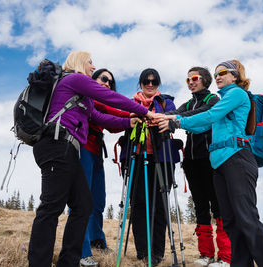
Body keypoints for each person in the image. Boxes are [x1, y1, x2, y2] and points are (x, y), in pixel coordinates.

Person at [28, 51, 159, 267]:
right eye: (90, 62)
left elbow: (97, 117)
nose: (92, 67)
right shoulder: (75, 79)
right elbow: (110, 98)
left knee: (83, 204)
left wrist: (130, 122)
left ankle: (68, 261)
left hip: (68, 149)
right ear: (79, 62)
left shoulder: (81, 95)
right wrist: (145, 112)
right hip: (56, 145)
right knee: (51, 207)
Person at [158, 60, 263, 267]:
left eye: (223, 72)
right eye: (216, 73)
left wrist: (178, 120)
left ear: (235, 76)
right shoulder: (225, 99)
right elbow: (205, 124)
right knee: (231, 221)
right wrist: (173, 123)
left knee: (247, 218)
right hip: (218, 163)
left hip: (237, 158)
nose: (217, 76)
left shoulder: (236, 94)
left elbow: (211, 115)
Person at [165, 67, 231, 267]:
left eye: (194, 78)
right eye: (187, 80)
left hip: (210, 160)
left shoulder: (213, 100)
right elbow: (175, 113)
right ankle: (206, 254)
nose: (190, 82)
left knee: (218, 205)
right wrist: (159, 116)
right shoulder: (188, 102)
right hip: (192, 162)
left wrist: (175, 120)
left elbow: (203, 114)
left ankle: (226, 257)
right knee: (200, 206)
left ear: (205, 80)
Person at [126, 68, 180, 266]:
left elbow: (172, 117)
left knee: (159, 205)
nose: (150, 84)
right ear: (140, 83)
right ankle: (143, 251)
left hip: (162, 158)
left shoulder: (166, 102)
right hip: (136, 158)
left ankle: (157, 252)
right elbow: (124, 120)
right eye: (146, 81)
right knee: (138, 205)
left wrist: (156, 118)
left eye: (154, 81)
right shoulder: (130, 102)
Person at [78, 68, 130, 267]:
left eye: (111, 82)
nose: (107, 83)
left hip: (96, 151)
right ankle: (82, 251)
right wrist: (135, 113)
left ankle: (97, 240)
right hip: (83, 149)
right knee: (82, 201)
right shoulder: (89, 97)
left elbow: (113, 124)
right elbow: (110, 112)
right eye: (104, 79)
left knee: (98, 201)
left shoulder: (101, 103)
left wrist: (130, 121)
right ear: (93, 80)